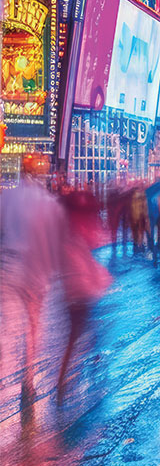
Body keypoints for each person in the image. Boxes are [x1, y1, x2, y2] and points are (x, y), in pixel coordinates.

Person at [0, 153, 64, 411]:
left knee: (8, 326)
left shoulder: (7, 198)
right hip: (33, 270)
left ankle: (7, 371)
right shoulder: (46, 202)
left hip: (9, 266)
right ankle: (27, 380)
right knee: (33, 325)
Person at [58, 188, 112, 400]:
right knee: (78, 335)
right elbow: (85, 266)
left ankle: (68, 377)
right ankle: (67, 380)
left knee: (82, 332)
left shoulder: (68, 237)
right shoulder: (75, 240)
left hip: (74, 294)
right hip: (80, 294)